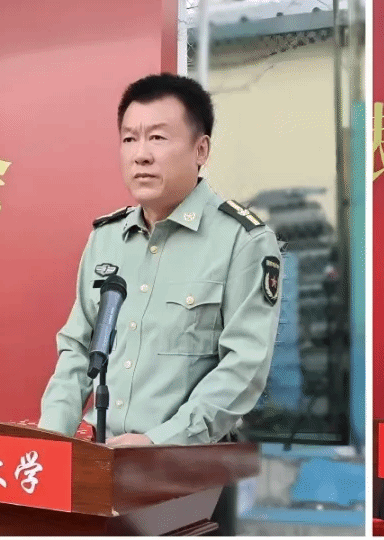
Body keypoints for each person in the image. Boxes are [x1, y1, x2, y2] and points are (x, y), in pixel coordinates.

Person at [38, 73, 282, 447]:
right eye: (129, 139)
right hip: (100, 456)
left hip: (186, 463)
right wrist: (52, 440)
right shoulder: (106, 239)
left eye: (157, 138)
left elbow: (243, 368)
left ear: (201, 150)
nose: (141, 155)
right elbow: (77, 350)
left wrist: (160, 441)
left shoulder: (243, 241)